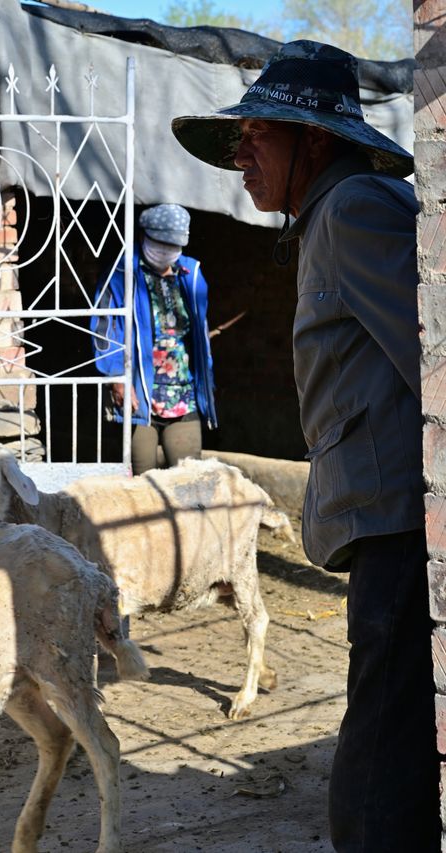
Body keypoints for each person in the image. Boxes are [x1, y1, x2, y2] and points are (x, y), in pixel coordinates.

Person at [172, 40, 439, 853]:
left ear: (315, 140)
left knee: (377, 770)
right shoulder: (325, 217)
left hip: (399, 527)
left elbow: (431, 363)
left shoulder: (357, 208)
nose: (241, 155)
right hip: (379, 525)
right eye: (241, 136)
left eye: (260, 134)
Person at [91, 203, 217, 475]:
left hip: (183, 393)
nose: (166, 251)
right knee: (140, 483)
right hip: (138, 391)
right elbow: (104, 328)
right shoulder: (122, 274)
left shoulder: (191, 274)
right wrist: (116, 376)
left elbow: (199, 332)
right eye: (160, 243)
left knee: (189, 480)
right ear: (143, 236)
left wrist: (206, 382)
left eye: (174, 245)